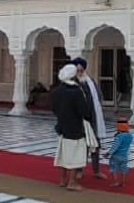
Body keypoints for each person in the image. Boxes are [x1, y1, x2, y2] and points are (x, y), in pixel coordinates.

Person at [52, 63, 96, 191]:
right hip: (75, 128)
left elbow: (54, 109)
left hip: (62, 126)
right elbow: (84, 110)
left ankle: (62, 180)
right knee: (75, 155)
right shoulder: (76, 91)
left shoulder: (56, 91)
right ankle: (72, 182)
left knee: (63, 153)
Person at [108, 118, 134, 187]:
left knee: (113, 168)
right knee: (123, 169)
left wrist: (109, 153)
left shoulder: (119, 136)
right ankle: (123, 183)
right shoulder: (130, 136)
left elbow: (115, 146)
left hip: (116, 156)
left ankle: (115, 182)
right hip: (124, 156)